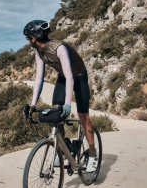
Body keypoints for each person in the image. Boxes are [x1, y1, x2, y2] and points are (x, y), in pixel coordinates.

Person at [23, 19, 97, 172]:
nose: (28, 41)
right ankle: (63, 148)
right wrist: (33, 104)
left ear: (34, 38)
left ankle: (92, 154)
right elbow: (39, 79)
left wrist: (68, 104)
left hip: (79, 77)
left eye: (28, 38)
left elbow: (71, 76)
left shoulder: (59, 48)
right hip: (63, 78)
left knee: (84, 118)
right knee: (56, 113)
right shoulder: (39, 53)